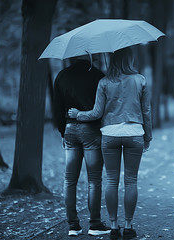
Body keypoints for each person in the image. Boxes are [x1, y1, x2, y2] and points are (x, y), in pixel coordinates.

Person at [68, 47, 152, 240]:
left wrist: (78, 114)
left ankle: (114, 227)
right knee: (131, 180)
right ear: (130, 60)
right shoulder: (140, 80)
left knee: (111, 180)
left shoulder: (104, 82)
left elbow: (97, 113)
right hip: (134, 133)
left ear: (112, 61)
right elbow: (146, 112)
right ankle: (128, 227)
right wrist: (148, 137)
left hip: (110, 134)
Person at [53, 55, 110, 236]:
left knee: (70, 180)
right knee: (94, 180)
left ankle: (73, 226)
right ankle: (94, 224)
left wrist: (63, 132)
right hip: (92, 131)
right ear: (90, 56)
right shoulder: (98, 76)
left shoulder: (62, 76)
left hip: (70, 130)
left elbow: (57, 108)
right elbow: (104, 108)